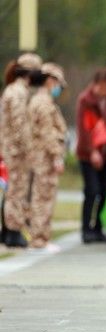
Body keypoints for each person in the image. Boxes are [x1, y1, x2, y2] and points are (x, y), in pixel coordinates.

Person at [76, 68, 106, 243]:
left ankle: (97, 227)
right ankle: (85, 229)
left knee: (104, 191)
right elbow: (83, 129)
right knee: (92, 191)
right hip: (87, 155)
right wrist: (92, 151)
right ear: (96, 84)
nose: (104, 90)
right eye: (102, 86)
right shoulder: (85, 100)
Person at [0, 52, 42, 247]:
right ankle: (13, 231)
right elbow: (20, 124)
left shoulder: (13, 90)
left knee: (13, 190)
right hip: (17, 151)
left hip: (12, 149)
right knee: (17, 190)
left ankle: (10, 231)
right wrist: (29, 148)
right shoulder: (17, 92)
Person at [27, 62, 68, 252]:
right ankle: (39, 239)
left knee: (43, 196)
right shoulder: (42, 102)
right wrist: (57, 157)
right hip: (45, 157)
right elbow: (47, 133)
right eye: (58, 83)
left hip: (44, 156)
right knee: (42, 197)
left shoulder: (42, 101)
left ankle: (42, 237)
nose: (59, 88)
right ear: (50, 80)